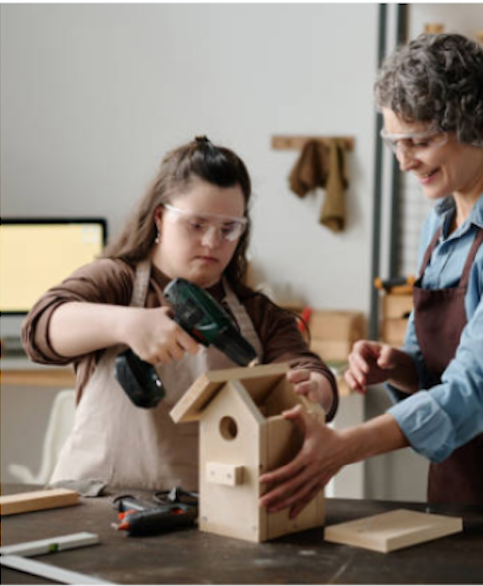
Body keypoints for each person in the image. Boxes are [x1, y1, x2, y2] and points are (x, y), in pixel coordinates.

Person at [260, 33, 483, 517]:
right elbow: (433, 366)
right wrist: (400, 367)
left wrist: (344, 446)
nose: (404, 160)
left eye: (421, 141)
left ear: (476, 123)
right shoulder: (441, 219)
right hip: (459, 486)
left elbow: (475, 387)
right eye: (395, 141)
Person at [22, 136, 338, 491]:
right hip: (96, 502)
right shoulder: (116, 281)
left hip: (212, 510)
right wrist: (125, 323)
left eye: (228, 228)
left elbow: (307, 369)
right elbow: (39, 329)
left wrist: (316, 388)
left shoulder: (257, 312)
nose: (212, 243)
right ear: (160, 217)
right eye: (196, 224)